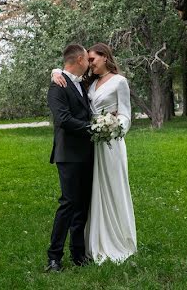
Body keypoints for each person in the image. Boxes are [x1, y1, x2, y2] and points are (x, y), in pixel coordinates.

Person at [53, 42, 137, 264]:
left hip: (109, 144)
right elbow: (68, 78)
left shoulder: (120, 82)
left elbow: (126, 115)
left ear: (105, 57)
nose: (90, 63)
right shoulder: (89, 83)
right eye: (87, 60)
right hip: (90, 145)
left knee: (112, 189)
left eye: (93, 59)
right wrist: (55, 72)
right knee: (88, 198)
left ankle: (117, 239)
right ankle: (89, 245)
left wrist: (114, 128)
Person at [45, 44, 94, 272]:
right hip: (69, 154)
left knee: (82, 205)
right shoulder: (57, 86)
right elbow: (63, 119)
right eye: (87, 59)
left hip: (87, 152)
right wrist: (92, 127)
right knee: (68, 204)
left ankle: (78, 253)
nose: (90, 63)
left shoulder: (80, 82)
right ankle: (54, 257)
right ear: (79, 60)